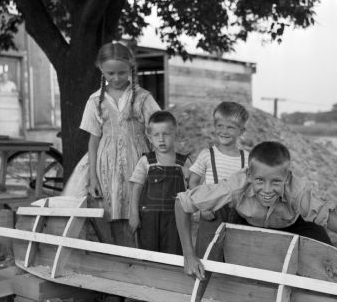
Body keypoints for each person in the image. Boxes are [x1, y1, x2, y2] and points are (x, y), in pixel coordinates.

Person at [174, 141, 337, 302]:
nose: (267, 190)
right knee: (240, 272)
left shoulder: (298, 193)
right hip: (247, 223)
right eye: (259, 180)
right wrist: (189, 255)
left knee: (325, 265)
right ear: (249, 176)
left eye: (275, 182)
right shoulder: (234, 186)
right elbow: (181, 203)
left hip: (295, 224)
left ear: (287, 178)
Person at [78, 42, 160, 246]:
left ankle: (145, 255)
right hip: (107, 168)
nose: (116, 78)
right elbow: (94, 140)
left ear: (131, 66)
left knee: (140, 209)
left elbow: (158, 131)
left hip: (138, 163)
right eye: (110, 73)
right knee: (113, 211)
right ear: (101, 69)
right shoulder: (95, 100)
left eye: (121, 72)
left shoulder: (143, 98)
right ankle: (120, 256)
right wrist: (93, 177)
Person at [189, 101, 249, 258]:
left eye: (231, 127)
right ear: (214, 127)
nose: (224, 131)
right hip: (211, 214)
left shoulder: (247, 159)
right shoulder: (207, 155)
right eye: (220, 126)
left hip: (238, 215)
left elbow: (250, 187)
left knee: (235, 257)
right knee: (207, 256)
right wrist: (202, 206)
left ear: (242, 131)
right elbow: (193, 182)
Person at [129, 111, 191, 254]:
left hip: (176, 219)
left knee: (174, 253)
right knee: (149, 253)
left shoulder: (184, 163)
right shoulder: (146, 161)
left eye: (166, 134)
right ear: (149, 138)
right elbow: (136, 188)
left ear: (176, 134)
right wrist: (133, 214)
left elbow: (193, 189)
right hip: (148, 219)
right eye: (156, 135)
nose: (161, 139)